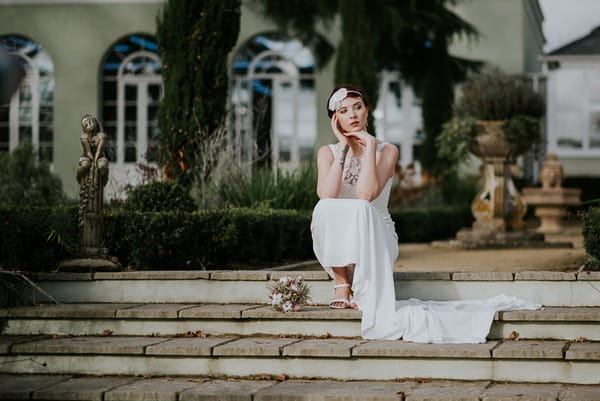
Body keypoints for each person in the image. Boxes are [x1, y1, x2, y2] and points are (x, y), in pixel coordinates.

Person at [311, 85, 540, 343]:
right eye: (344, 110)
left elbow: (366, 195)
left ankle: (355, 283)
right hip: (342, 244)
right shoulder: (327, 152)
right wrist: (343, 147)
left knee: (361, 206)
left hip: (377, 239)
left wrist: (371, 145)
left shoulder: (387, 150)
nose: (352, 114)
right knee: (325, 206)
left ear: (368, 111)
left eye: (358, 107)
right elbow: (326, 195)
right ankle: (342, 282)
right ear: (335, 119)